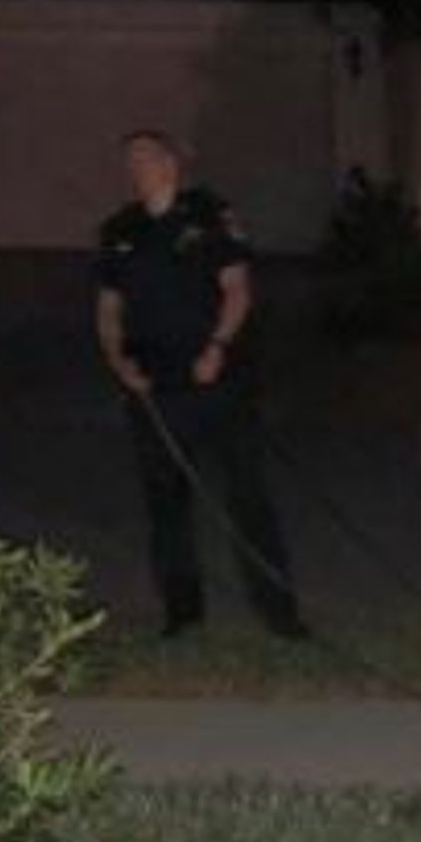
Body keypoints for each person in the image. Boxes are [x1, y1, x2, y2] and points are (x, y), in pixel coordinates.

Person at [93, 130, 306, 639]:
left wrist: (219, 346)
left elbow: (237, 290)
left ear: (171, 164)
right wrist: (119, 364)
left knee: (247, 496)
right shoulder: (119, 231)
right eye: (130, 160)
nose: (137, 167)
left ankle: (279, 612)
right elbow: (107, 312)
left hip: (217, 381)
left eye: (147, 157)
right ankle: (182, 614)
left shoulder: (209, 215)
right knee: (166, 504)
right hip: (155, 387)